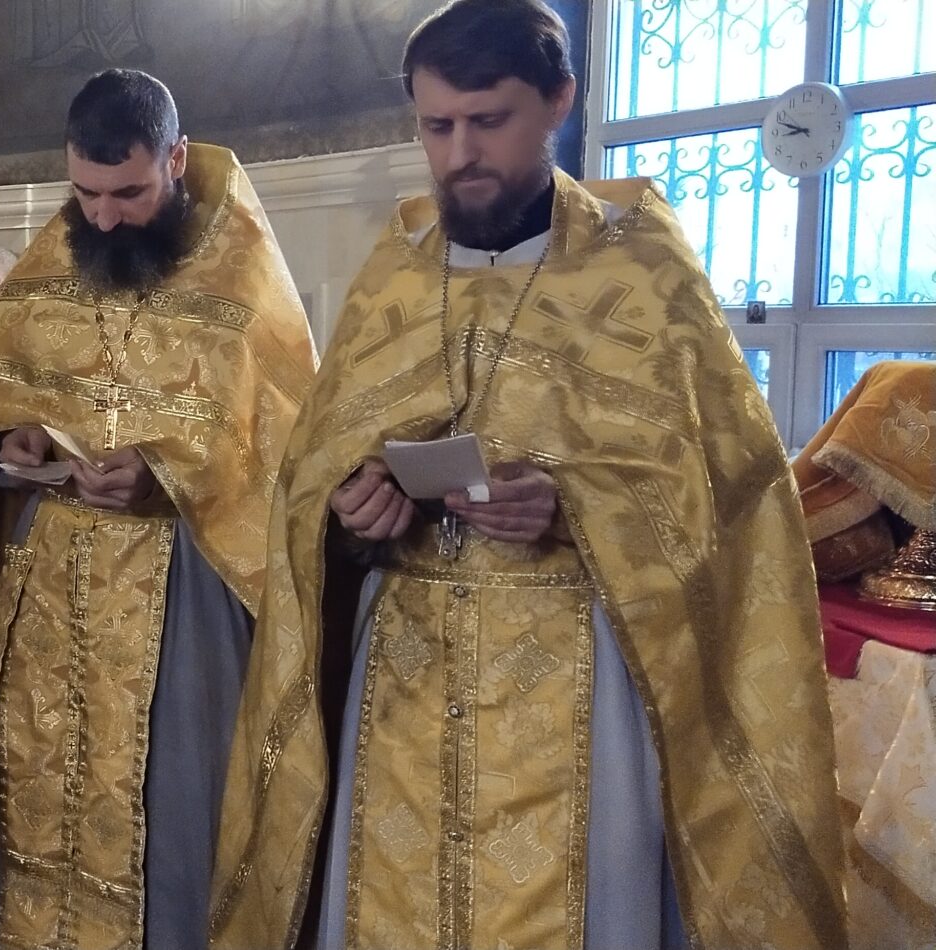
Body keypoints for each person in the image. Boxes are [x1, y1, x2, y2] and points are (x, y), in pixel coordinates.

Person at [207, 2, 848, 948]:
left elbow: (729, 498)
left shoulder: (643, 268)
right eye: (436, 126)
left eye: (488, 120)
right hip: (404, 677)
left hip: (579, 679)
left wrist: (575, 506)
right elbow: (314, 472)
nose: (459, 153)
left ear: (559, 101)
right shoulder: (395, 271)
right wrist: (351, 512)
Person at [0, 69, 315, 949]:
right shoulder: (54, 258)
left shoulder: (240, 273)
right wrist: (13, 438)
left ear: (175, 159)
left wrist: (165, 476)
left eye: (128, 193)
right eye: (85, 193)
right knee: (28, 806)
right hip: (46, 603)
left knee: (172, 829)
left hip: (181, 604)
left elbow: (285, 451)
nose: (103, 218)